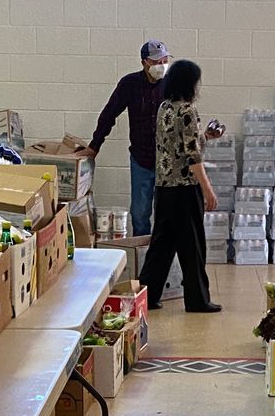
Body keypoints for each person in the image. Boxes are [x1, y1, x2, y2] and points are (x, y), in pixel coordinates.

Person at [139, 58, 221, 314]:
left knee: (161, 245)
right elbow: (192, 156)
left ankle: (147, 295)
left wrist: (205, 136)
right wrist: (207, 189)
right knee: (192, 245)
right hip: (185, 189)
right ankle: (197, 299)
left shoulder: (164, 108)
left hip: (164, 187)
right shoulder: (187, 110)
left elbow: (177, 145)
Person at [84, 40, 170, 238]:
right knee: (140, 213)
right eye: (156, 61)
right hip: (141, 159)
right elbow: (109, 114)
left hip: (168, 161)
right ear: (144, 62)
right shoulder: (130, 84)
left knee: (166, 213)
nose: (161, 65)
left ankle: (162, 252)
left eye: (165, 60)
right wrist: (94, 146)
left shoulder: (172, 85)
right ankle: (142, 252)